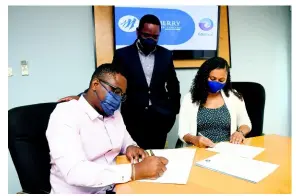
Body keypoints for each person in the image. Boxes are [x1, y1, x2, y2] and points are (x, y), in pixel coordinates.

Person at [59, 14, 181, 150]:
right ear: (138, 32)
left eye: (155, 37)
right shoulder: (123, 55)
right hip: (133, 118)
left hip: (159, 120)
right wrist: (83, 97)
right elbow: (109, 80)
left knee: (156, 156)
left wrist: (173, 111)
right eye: (147, 35)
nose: (151, 40)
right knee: (133, 155)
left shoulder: (166, 55)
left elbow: (173, 85)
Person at [47, 63, 168, 194]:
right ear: (95, 84)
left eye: (122, 95)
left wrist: (130, 146)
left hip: (115, 187)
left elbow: (125, 140)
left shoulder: (114, 113)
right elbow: (74, 172)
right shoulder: (65, 114)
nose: (118, 99)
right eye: (115, 91)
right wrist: (134, 171)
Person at [178, 57, 252, 148]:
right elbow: (183, 132)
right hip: (200, 149)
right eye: (212, 78)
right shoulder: (189, 98)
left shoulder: (234, 96)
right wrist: (194, 139)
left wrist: (240, 133)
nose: (216, 83)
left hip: (228, 148)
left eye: (221, 80)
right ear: (204, 76)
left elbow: (245, 123)